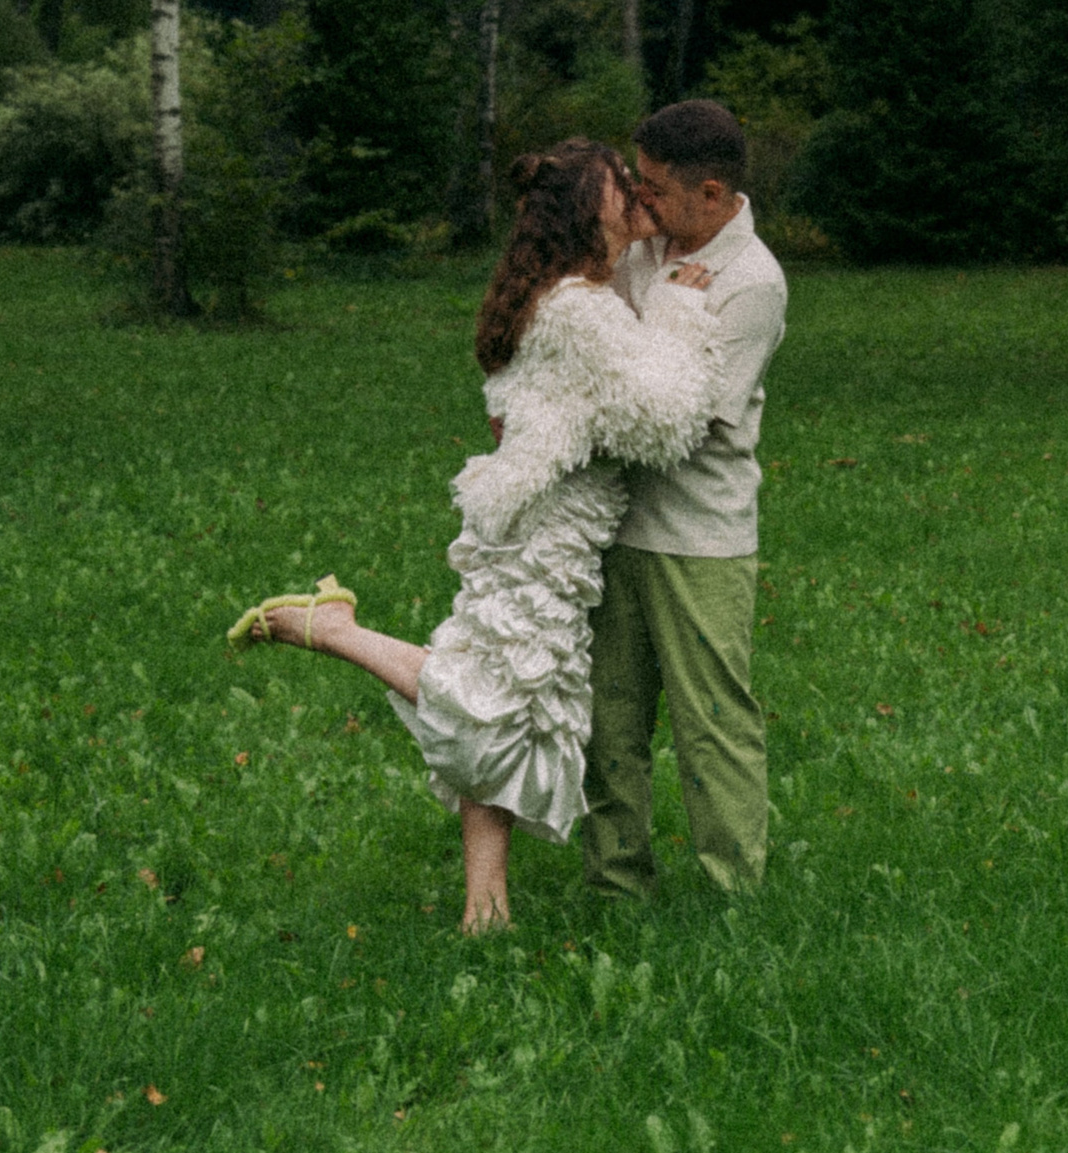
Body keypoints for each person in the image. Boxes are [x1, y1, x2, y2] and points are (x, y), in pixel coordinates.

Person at [224, 139, 723, 933]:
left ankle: (485, 912)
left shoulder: (560, 295)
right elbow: (665, 423)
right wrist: (685, 309)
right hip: (549, 537)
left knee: (510, 708)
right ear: (584, 213)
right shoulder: (578, 311)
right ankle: (333, 631)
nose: (634, 192)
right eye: (616, 185)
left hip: (524, 521)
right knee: (497, 706)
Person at [584, 98, 790, 899]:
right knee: (610, 722)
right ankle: (615, 883)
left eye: (656, 186)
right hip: (612, 528)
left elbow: (683, 423)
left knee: (713, 726)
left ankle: (731, 893)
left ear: (712, 192)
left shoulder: (752, 282)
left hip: (700, 538)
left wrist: (603, 399)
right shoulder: (646, 245)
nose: (639, 200)